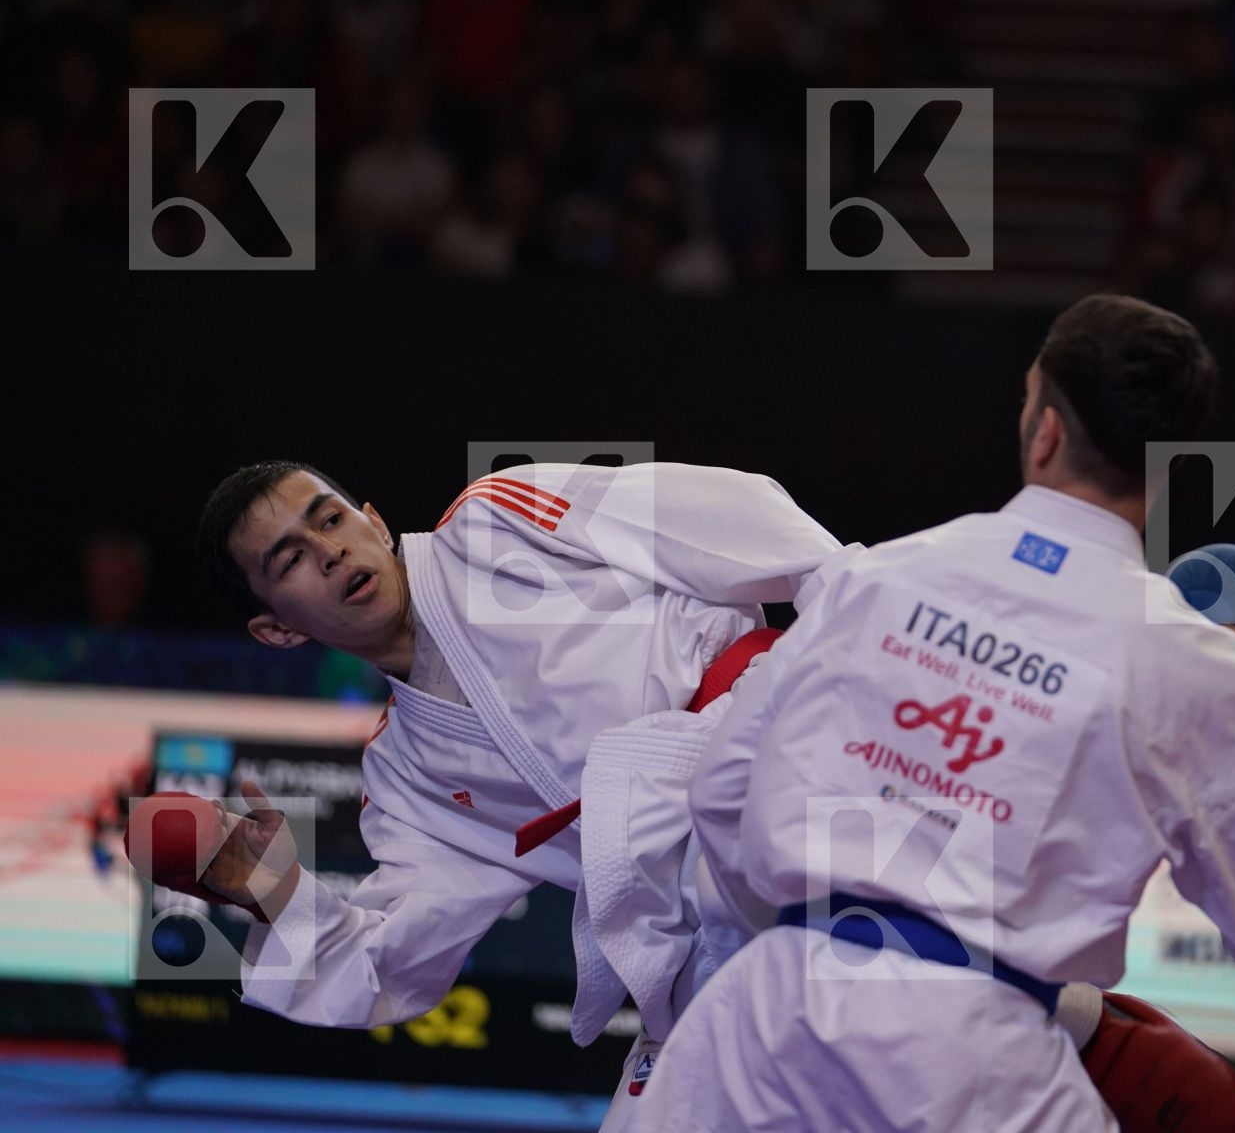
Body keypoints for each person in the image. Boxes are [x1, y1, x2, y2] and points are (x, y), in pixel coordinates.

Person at [635, 294, 1235, 1130]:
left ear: (1044, 427)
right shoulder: (1191, 663)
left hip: (760, 1026)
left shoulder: (878, 579)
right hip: (980, 1060)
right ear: (1170, 461)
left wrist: (809, 947)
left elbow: (722, 791)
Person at [175, 458, 845, 1126]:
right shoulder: (408, 779)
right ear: (278, 631)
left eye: (329, 519)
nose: (328, 552)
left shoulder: (502, 515)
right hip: (708, 938)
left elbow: (738, 517)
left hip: (799, 773)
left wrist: (871, 634)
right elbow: (390, 960)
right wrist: (268, 890)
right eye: (290, 559)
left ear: (373, 523)